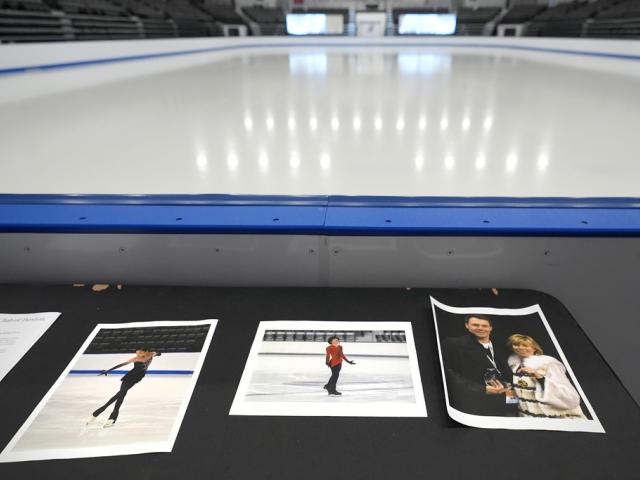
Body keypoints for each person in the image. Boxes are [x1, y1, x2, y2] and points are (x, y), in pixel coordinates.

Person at [442, 314, 516, 416]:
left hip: (503, 404)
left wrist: (513, 403)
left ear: (491, 328)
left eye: (484, 326)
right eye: (475, 325)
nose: (480, 328)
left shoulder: (500, 347)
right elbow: (448, 375)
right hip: (474, 406)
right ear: (467, 325)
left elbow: (509, 377)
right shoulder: (453, 344)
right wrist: (482, 390)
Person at [507, 334, 586, 419]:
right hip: (528, 417)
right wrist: (512, 411)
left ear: (534, 348)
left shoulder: (549, 364)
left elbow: (568, 395)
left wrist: (540, 378)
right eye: (516, 345)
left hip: (555, 417)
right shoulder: (513, 367)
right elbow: (514, 392)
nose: (521, 348)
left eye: (525, 345)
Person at [87, 348, 160, 428]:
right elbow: (120, 365)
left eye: (139, 353)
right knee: (120, 396)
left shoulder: (151, 354)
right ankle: (111, 419)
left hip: (136, 378)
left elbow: (158, 353)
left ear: (145, 352)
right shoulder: (135, 359)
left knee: (118, 396)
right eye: (136, 353)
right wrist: (108, 371)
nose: (138, 355)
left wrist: (158, 354)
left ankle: (96, 414)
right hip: (128, 378)